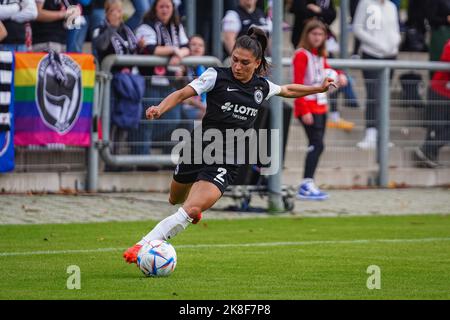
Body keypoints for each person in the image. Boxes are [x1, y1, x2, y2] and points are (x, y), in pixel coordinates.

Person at [122, 27, 336, 263]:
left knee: (190, 209)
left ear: (256, 63)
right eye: (235, 60)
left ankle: (142, 245)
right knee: (175, 199)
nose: (237, 66)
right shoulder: (216, 76)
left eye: (245, 62)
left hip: (228, 158)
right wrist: (160, 108)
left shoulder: (261, 87)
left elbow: (288, 89)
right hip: (199, 148)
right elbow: (183, 93)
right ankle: (191, 206)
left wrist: (318, 88)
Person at [128, 0, 190, 157]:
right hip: (149, 82)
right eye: (161, 6)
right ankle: (142, 157)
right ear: (155, 9)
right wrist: (174, 51)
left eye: (168, 6)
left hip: (170, 83)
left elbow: (187, 47)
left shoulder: (176, 26)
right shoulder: (146, 25)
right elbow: (151, 48)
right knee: (147, 121)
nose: (164, 10)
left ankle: (147, 146)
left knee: (173, 118)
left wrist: (179, 54)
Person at [292, 19, 343, 200]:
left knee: (318, 144)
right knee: (317, 144)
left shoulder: (320, 55)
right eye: (314, 34)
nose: (317, 38)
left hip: (321, 106)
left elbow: (327, 70)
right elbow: (297, 83)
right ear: (307, 35)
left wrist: (339, 76)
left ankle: (309, 182)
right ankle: (306, 183)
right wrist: (303, 108)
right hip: (308, 106)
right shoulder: (301, 55)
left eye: (321, 35)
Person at [92, 0, 143, 164]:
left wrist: (140, 47)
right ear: (107, 13)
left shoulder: (127, 30)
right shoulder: (101, 28)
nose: (118, 15)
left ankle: (118, 157)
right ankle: (109, 159)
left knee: (124, 118)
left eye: (120, 11)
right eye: (114, 11)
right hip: (110, 81)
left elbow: (132, 50)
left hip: (127, 81)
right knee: (111, 118)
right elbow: (100, 45)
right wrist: (111, 28)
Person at [353, 0, 400, 150]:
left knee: (383, 95)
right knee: (373, 94)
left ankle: (382, 134)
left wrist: (394, 44)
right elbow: (357, 28)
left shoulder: (391, 6)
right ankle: (371, 133)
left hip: (390, 56)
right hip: (372, 54)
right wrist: (377, 44)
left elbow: (395, 29)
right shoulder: (365, 3)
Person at [414, 40, 450, 168]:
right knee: (436, 127)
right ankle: (427, 154)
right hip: (439, 91)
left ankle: (427, 152)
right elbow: (447, 57)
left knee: (442, 128)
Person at [181, 35, 207, 121]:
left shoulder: (205, 68)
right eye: (193, 44)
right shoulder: (182, 67)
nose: (197, 47)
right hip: (187, 108)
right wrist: (202, 107)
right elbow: (183, 97)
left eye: (200, 45)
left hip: (202, 107)